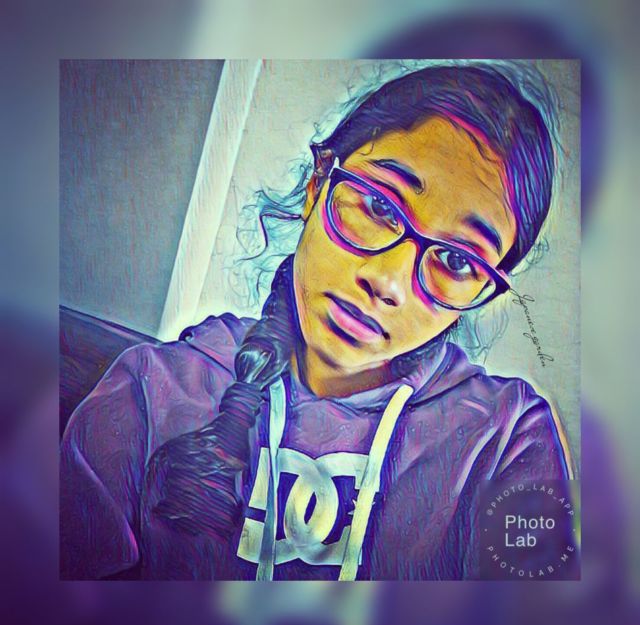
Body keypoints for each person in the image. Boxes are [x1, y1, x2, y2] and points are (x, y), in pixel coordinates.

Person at [60, 63, 575, 580]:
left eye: (458, 261)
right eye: (378, 205)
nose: (388, 282)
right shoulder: (152, 392)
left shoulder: (504, 440)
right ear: (318, 183)